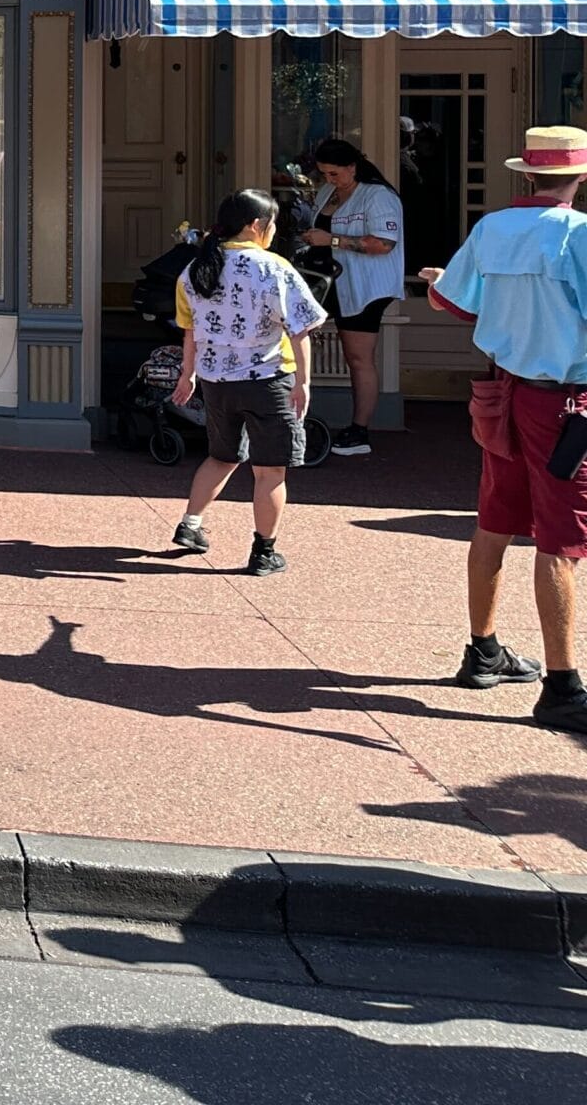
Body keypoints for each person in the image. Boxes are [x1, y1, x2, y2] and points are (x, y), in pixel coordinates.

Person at [420, 124, 587, 734]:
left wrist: (438, 284)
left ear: (526, 175)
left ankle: (483, 649)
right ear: (579, 177)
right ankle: (563, 685)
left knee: (494, 520)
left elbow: (455, 301)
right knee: (561, 541)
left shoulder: (492, 228)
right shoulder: (579, 235)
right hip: (565, 401)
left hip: (504, 389)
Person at [167, 190, 327, 575]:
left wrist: (186, 374)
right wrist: (304, 382)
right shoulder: (274, 268)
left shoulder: (194, 270)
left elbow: (190, 332)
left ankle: (190, 524)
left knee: (221, 456)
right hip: (268, 379)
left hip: (216, 380)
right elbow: (300, 330)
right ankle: (263, 550)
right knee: (271, 470)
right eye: (272, 224)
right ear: (257, 225)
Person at [303, 137, 405, 458]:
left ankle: (359, 430)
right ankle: (292, 416)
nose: (329, 180)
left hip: (366, 285)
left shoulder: (379, 197)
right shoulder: (326, 193)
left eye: (335, 173)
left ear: (352, 167)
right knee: (296, 334)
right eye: (323, 174)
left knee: (358, 357)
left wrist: (331, 240)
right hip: (328, 280)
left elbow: (384, 244)